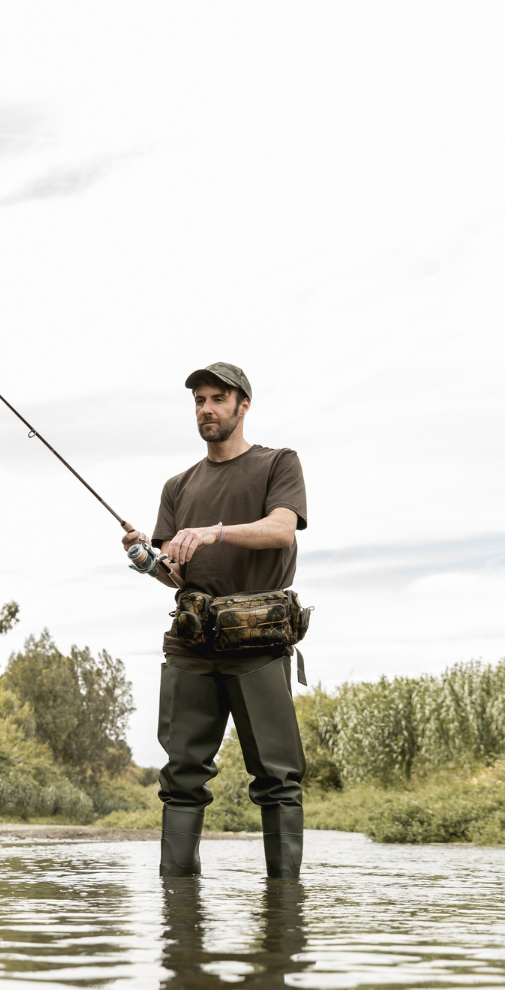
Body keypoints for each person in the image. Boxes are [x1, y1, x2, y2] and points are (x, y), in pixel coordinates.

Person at [120, 362, 308, 879]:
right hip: (191, 648)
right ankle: (178, 917)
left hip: (258, 647)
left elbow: (281, 531)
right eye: (200, 400)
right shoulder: (177, 486)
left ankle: (284, 911)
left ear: (242, 405)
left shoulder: (278, 463)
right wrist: (145, 559)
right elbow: (175, 575)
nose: (207, 409)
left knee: (278, 778)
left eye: (218, 399)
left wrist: (213, 532)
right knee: (181, 778)